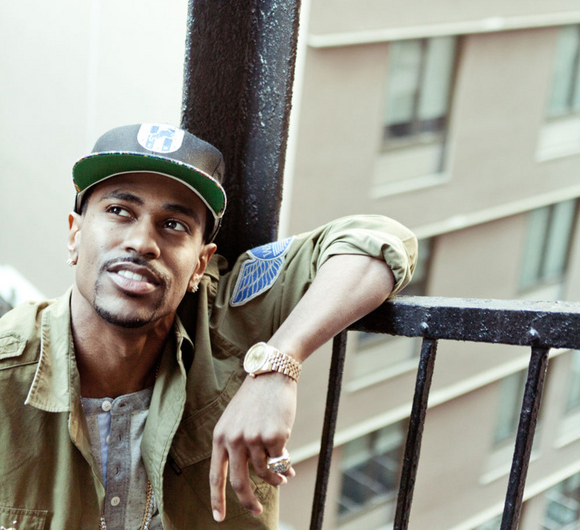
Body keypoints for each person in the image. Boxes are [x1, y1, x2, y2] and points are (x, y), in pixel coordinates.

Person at [0, 123, 417, 529]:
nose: (142, 242)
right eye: (119, 211)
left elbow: (379, 241)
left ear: (200, 263)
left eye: (174, 225)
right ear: (74, 235)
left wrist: (277, 365)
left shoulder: (228, 319)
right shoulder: (8, 370)